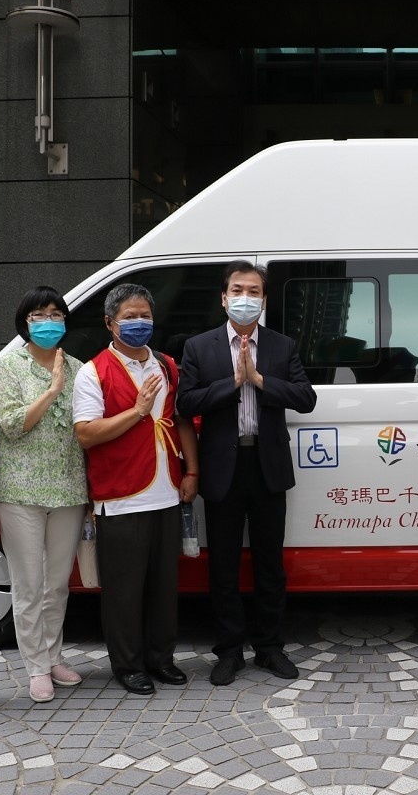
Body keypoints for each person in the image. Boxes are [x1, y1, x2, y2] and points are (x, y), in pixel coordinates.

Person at [176, 261, 318, 687]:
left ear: (264, 299)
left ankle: (270, 647)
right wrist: (233, 384)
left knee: (269, 563)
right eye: (237, 290)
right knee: (222, 564)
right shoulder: (199, 347)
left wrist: (258, 378)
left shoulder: (281, 345)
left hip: (267, 465)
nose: (244, 298)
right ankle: (229, 651)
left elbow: (305, 398)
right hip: (222, 467)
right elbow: (186, 403)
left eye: (253, 291)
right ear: (223, 297)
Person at [73, 283, 199, 695]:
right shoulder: (93, 372)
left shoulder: (165, 365)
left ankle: (161, 659)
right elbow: (87, 433)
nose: (138, 323)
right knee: (124, 590)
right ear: (110, 323)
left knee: (164, 586)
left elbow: (180, 421)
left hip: (166, 489)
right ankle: (128, 665)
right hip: (120, 493)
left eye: (144, 315)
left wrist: (191, 472)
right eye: (129, 316)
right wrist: (137, 412)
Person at [0, 286, 88, 704]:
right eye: (38, 315)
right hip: (21, 490)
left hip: (68, 488)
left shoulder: (80, 367)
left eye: (55, 314)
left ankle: (52, 656)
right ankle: (34, 667)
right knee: (28, 584)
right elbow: (12, 425)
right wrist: (51, 390)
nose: (48, 321)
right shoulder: (8, 367)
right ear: (24, 322)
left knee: (57, 585)